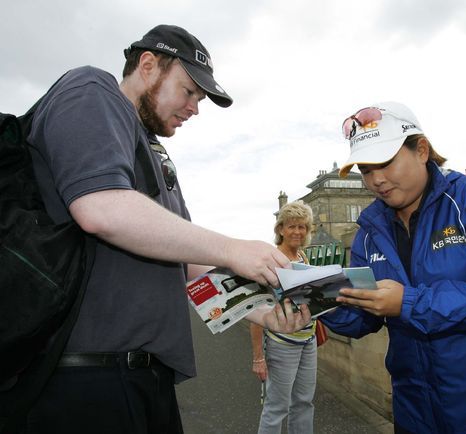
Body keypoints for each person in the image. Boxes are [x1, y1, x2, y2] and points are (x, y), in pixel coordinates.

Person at [19, 25, 310, 434]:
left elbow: (188, 264)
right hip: (86, 378)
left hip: (146, 378)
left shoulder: (154, 152)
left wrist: (261, 313)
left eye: (199, 99)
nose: (194, 108)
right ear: (148, 65)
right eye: (188, 91)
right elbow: (99, 208)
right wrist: (232, 249)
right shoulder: (92, 90)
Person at [320, 102, 466, 433]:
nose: (377, 179)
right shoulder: (370, 231)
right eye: (366, 170)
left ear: (421, 150)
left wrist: (408, 302)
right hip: (415, 414)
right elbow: (363, 318)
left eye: (384, 162)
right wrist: (319, 305)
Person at [250, 201, 319, 434]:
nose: (298, 232)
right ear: (280, 229)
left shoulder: (303, 257)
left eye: (302, 227)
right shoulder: (271, 261)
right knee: (276, 407)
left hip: (308, 340)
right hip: (282, 344)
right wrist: (258, 358)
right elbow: (257, 310)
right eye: (292, 226)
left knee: (304, 403)